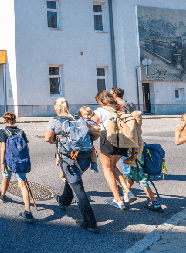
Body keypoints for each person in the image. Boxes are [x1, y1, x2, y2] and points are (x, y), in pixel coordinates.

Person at [46, 98, 100, 233]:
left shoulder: (55, 121)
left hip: (70, 160)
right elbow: (96, 133)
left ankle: (90, 221)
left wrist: (56, 141)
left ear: (56, 108)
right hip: (85, 158)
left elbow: (48, 138)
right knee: (73, 181)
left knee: (78, 188)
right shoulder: (78, 119)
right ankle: (64, 201)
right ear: (69, 107)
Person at [93, 90, 136, 210]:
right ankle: (127, 191)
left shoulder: (100, 110)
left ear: (101, 100)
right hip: (123, 141)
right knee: (113, 166)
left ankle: (117, 199)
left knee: (107, 169)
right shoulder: (123, 109)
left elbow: (93, 126)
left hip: (108, 139)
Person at [0, 112, 35, 223]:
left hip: (9, 162)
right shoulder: (21, 132)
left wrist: (2, 162)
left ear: (5, 121)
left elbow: (3, 149)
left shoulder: (4, 132)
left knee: (6, 178)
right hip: (20, 161)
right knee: (22, 185)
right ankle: (28, 212)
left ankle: (2, 195)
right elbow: (26, 148)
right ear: (15, 121)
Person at [77, 106, 99, 173]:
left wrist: (91, 127)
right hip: (80, 142)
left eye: (88, 114)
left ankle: (94, 164)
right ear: (80, 115)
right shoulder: (78, 122)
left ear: (91, 115)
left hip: (89, 142)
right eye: (84, 115)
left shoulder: (91, 122)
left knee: (93, 152)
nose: (87, 116)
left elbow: (98, 127)